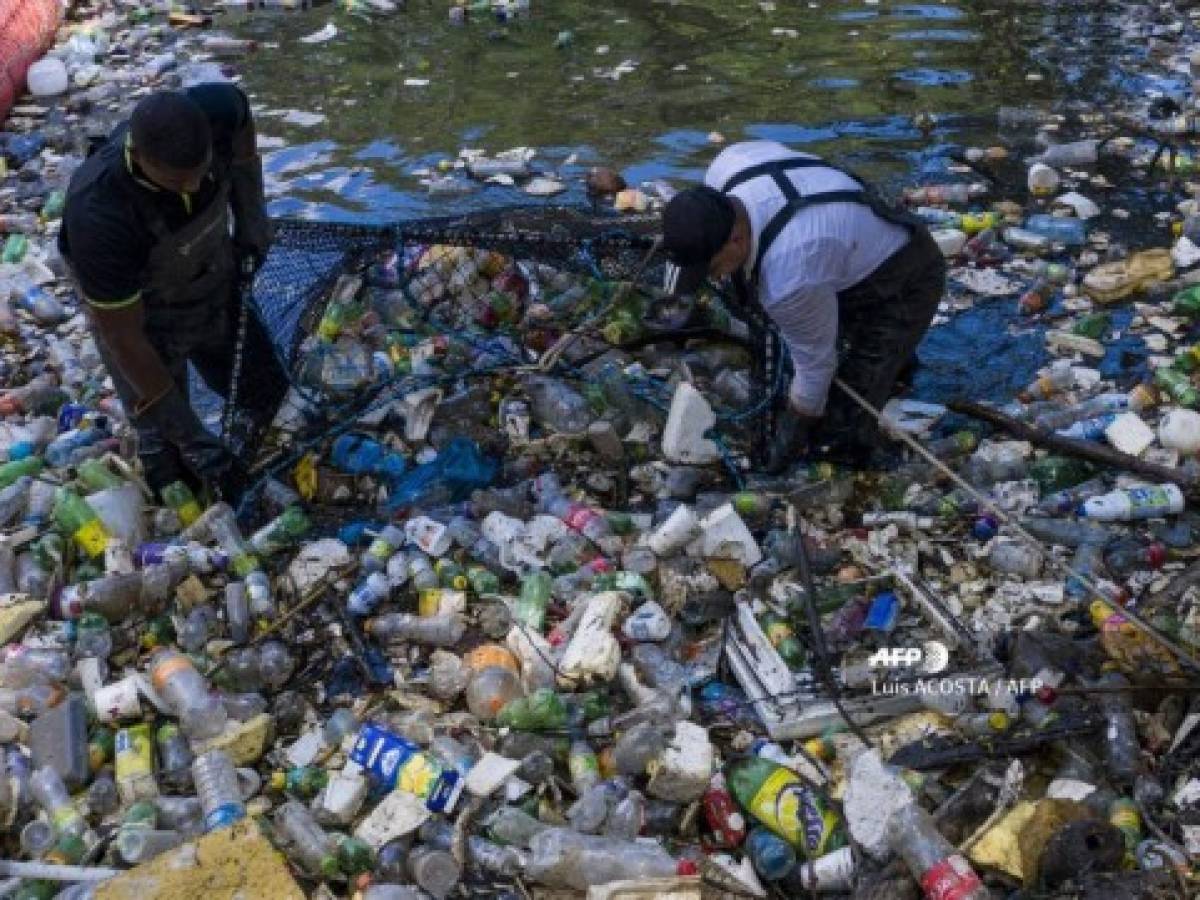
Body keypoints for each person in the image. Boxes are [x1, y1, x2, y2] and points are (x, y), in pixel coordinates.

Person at [60, 84, 287, 504]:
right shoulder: (98, 214)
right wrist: (191, 436)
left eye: (201, 172)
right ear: (139, 157)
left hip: (213, 281)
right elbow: (125, 341)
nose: (194, 185)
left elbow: (241, 120)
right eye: (178, 181)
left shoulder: (217, 109)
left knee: (269, 396)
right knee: (173, 460)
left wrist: (252, 214)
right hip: (143, 321)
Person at [660, 140, 945, 472]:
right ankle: (895, 369)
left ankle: (890, 371)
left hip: (905, 274)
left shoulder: (789, 275)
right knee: (816, 332)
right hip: (843, 242)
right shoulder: (728, 164)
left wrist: (783, 446)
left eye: (712, 269)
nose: (714, 278)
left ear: (736, 240)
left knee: (840, 427)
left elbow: (815, 371)